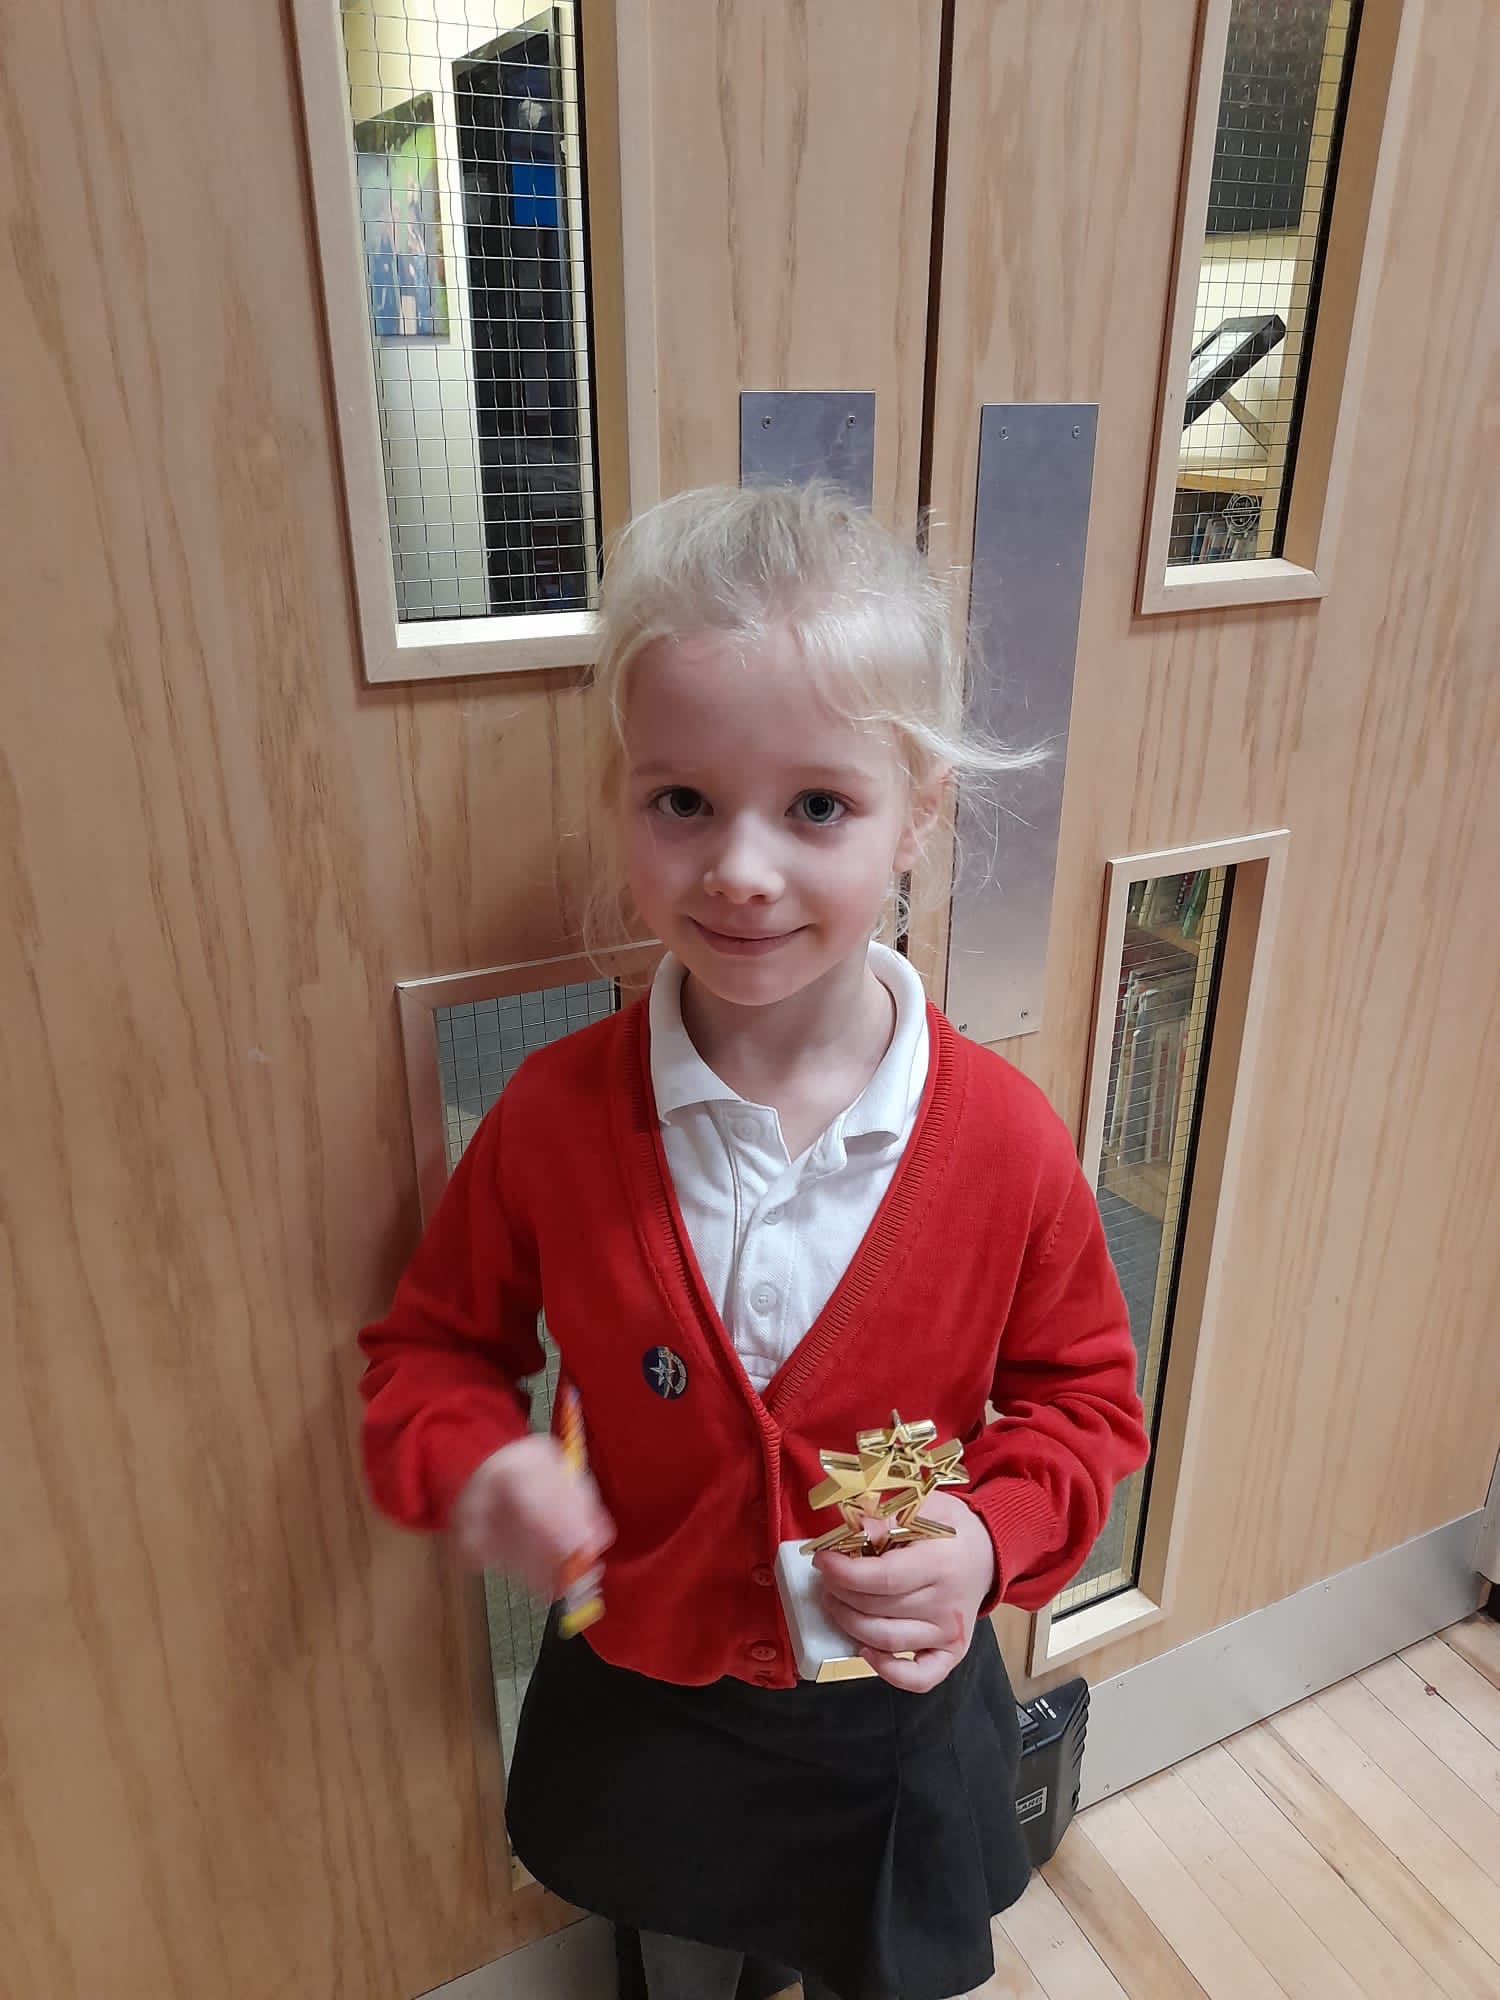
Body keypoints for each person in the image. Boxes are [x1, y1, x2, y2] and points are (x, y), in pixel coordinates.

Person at [359, 483, 1149, 2000]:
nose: (739, 868)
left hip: (891, 1717)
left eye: (818, 807)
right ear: (622, 799)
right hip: (647, 1696)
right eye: (682, 802)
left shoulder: (1003, 1142)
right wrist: (478, 1459)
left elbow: (1085, 1404)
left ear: (920, 811)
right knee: (673, 1944)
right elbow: (430, 1354)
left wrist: (988, 1536)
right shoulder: (552, 1118)